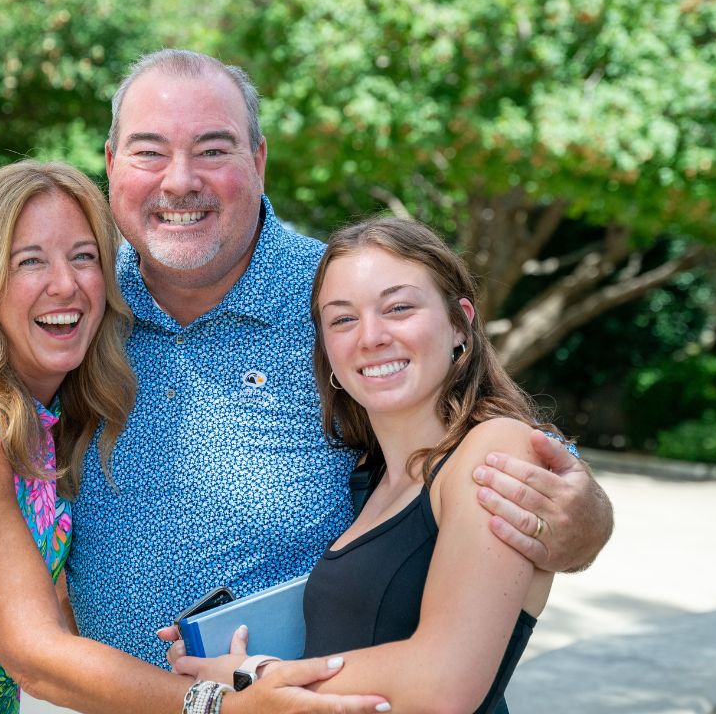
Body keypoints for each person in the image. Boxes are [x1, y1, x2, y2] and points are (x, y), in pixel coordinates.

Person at [65, 49, 614, 667]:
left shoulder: (344, 301)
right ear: (112, 164)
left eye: (214, 150)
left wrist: (583, 519)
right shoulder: (77, 307)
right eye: (150, 151)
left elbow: (509, 446)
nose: (180, 180)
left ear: (259, 160)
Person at [0, 161, 388, 714]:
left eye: (83, 257)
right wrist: (218, 706)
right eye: (30, 262)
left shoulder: (36, 420)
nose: (65, 285)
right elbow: (35, 654)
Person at [177, 217, 559, 713]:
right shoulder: (373, 475)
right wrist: (229, 654)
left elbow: (446, 684)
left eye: (398, 308)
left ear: (459, 323)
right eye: (342, 319)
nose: (371, 336)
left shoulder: (494, 450)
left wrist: (257, 676)